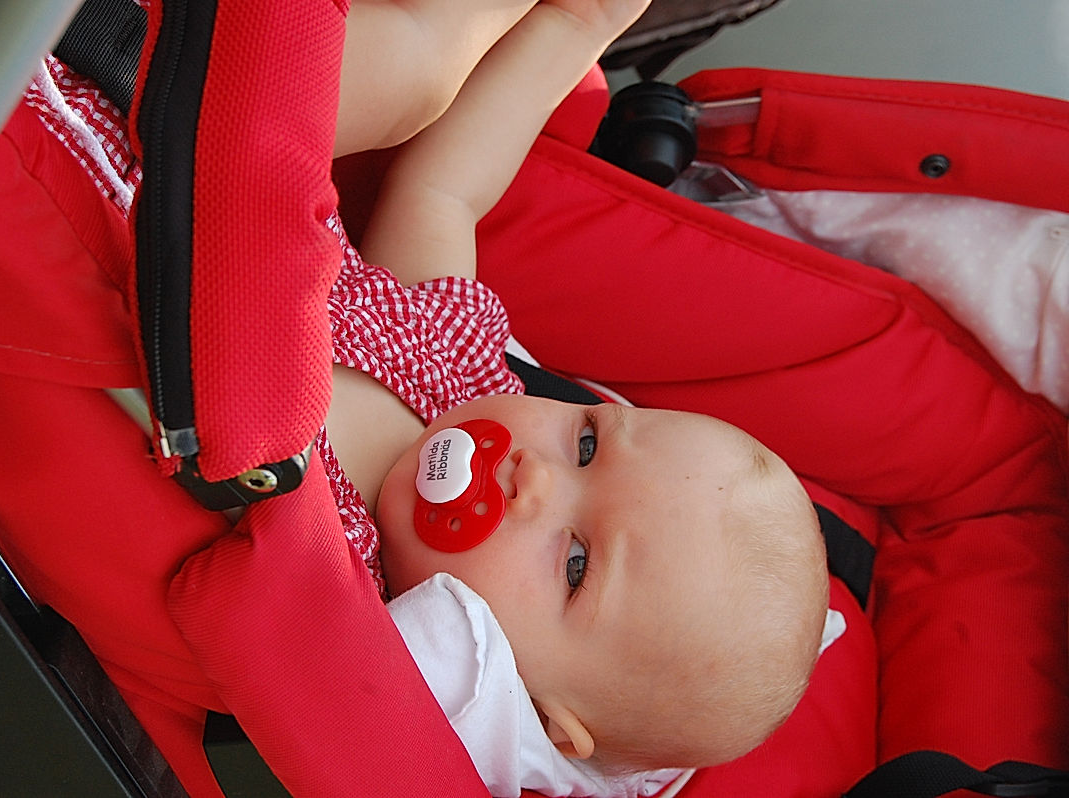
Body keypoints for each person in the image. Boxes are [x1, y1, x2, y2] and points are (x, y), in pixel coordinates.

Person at [318, 0, 832, 792]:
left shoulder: (326, 579)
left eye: (577, 562)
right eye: (587, 444)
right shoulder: (456, 370)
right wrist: (580, 25)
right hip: (198, 134)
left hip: (129, 240)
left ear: (534, 705)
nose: (536, 475)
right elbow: (442, 193)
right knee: (413, 83)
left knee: (405, 71)